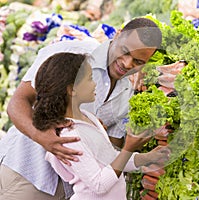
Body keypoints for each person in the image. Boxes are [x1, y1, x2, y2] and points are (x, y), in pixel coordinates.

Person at [0, 18, 163, 199]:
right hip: (29, 171)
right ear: (118, 34)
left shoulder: (129, 89)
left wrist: (142, 155)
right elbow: (18, 101)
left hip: (75, 187)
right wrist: (41, 136)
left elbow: (109, 150)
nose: (127, 63)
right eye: (125, 52)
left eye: (138, 61)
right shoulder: (72, 54)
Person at [32, 52, 169, 199]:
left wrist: (146, 158)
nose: (95, 83)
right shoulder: (70, 137)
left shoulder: (88, 118)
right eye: (90, 79)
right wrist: (128, 148)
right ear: (71, 89)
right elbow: (99, 184)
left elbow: (110, 160)